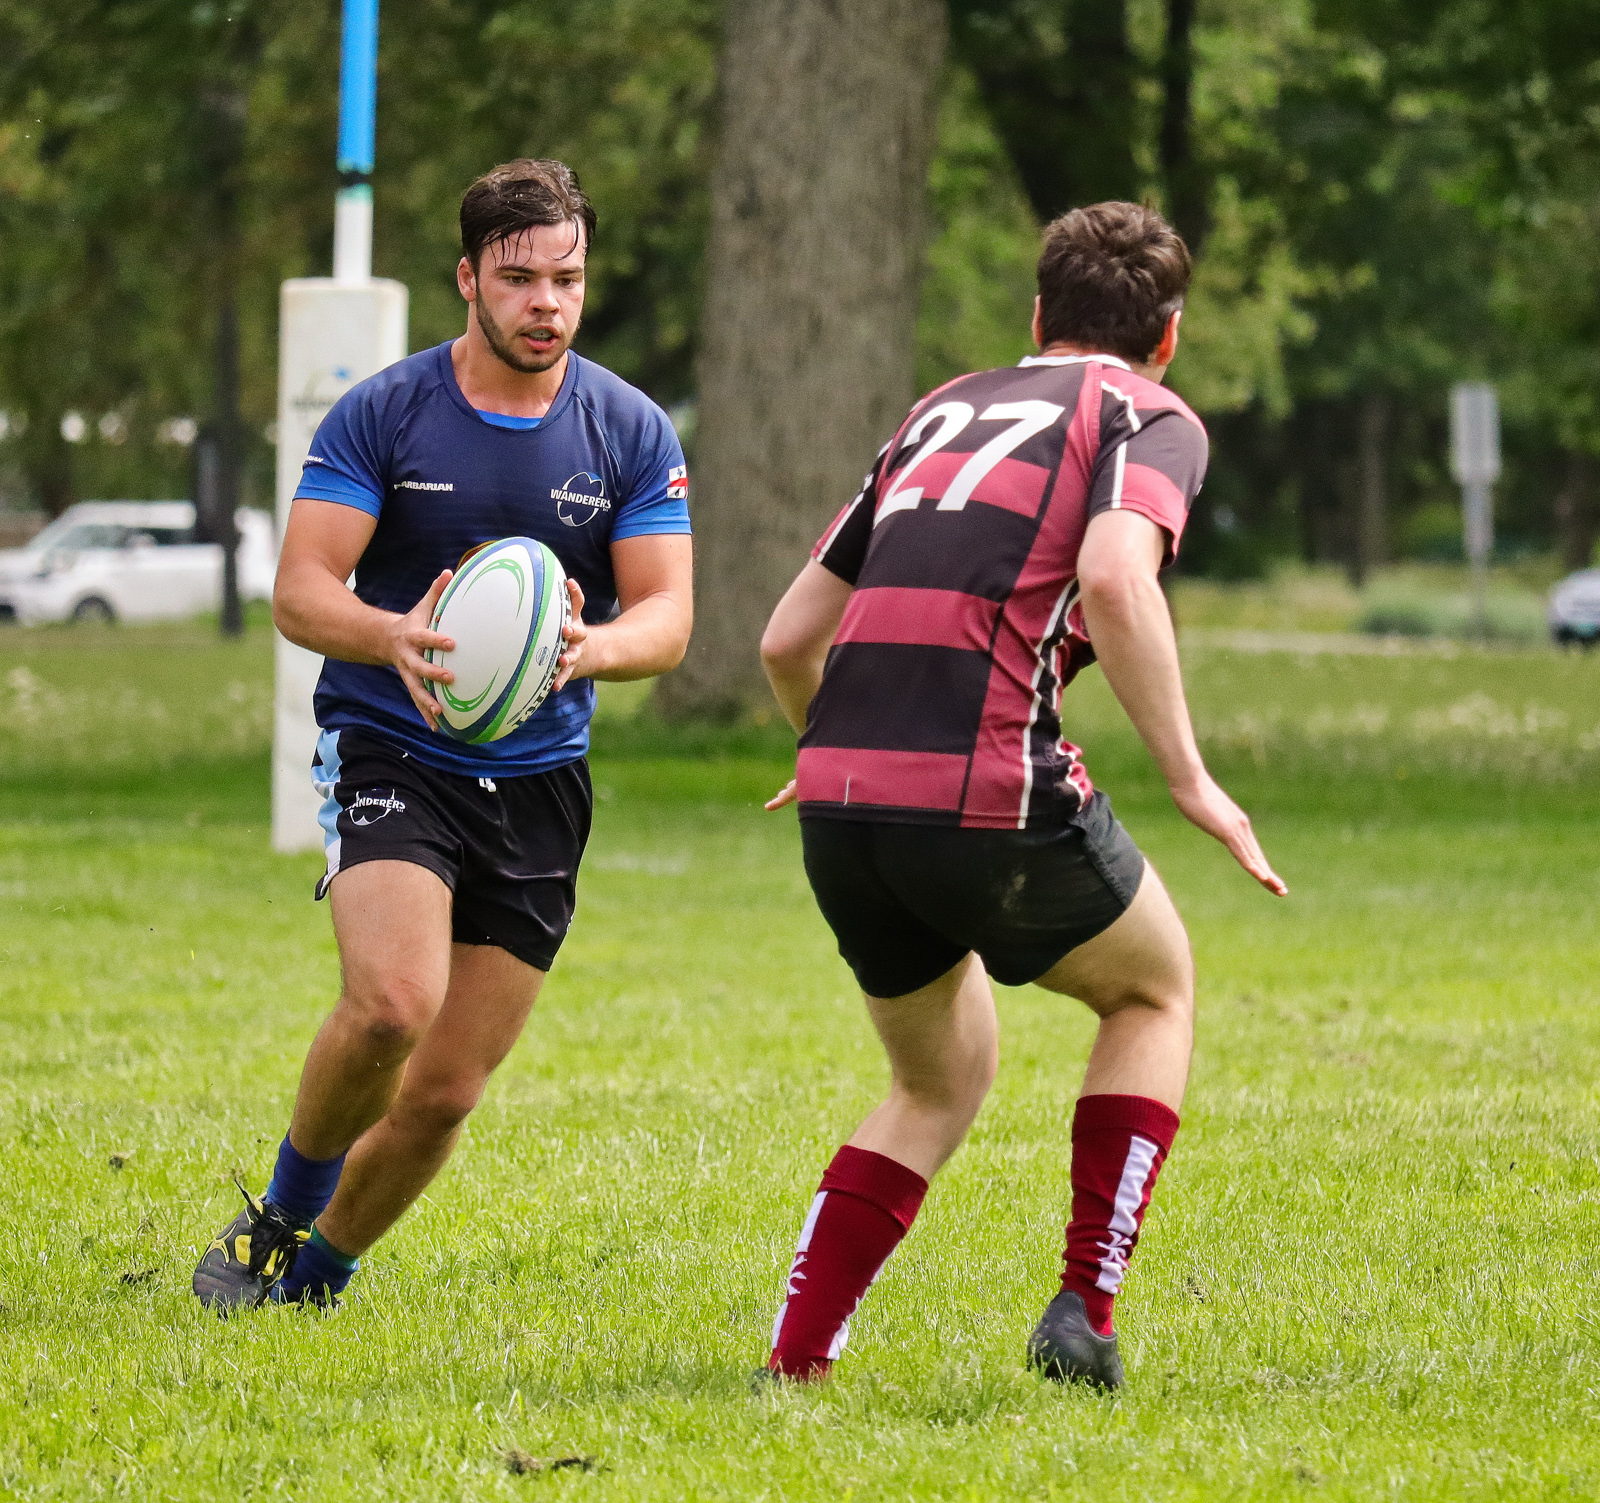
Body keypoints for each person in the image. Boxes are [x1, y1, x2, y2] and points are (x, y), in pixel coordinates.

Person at [756, 202, 1286, 1388]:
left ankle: (795, 1366)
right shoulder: (1148, 415)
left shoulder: (940, 407)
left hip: (842, 796)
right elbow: (1112, 572)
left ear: (1037, 317)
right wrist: (1191, 779)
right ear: (1170, 335)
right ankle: (1084, 1312)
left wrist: (837, 751)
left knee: (934, 1079)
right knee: (1153, 989)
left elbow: (788, 639)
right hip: (984, 790)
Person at [192, 159, 693, 1312]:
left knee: (444, 1094)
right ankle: (278, 1217)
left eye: (566, 278)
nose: (546, 304)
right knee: (390, 1007)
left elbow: (666, 617)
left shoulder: (625, 427)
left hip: (540, 782)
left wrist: (586, 648)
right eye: (519, 279)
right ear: (467, 278)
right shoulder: (389, 412)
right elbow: (301, 591)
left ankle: (313, 1283)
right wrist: (392, 635)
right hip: (392, 748)